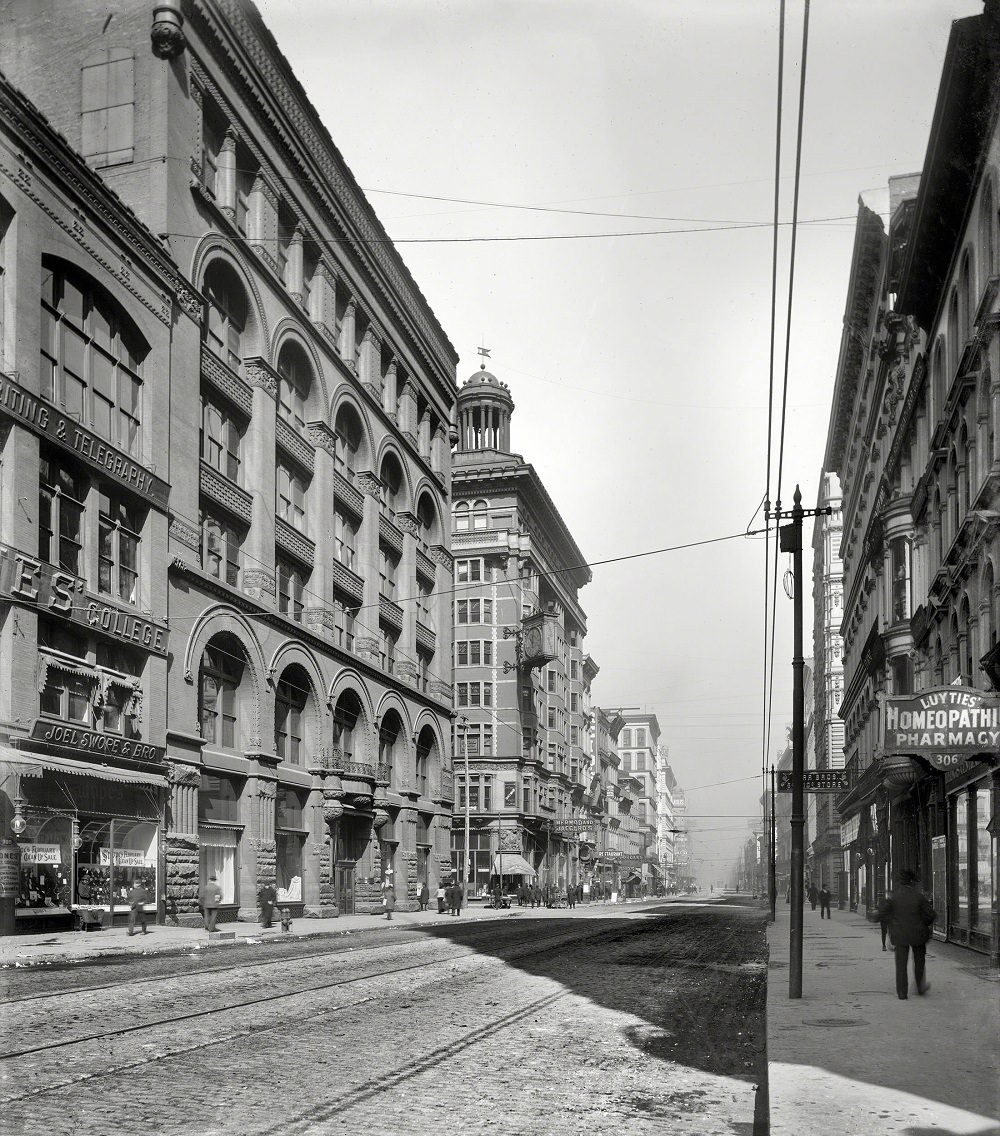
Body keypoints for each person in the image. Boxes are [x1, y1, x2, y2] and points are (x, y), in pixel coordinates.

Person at [881, 868, 935, 999]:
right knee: (919, 962)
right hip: (918, 934)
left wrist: (893, 926)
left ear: (900, 883)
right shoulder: (919, 897)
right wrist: (922, 924)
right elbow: (931, 915)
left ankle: (902, 993)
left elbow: (883, 914)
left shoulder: (894, 898)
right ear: (912, 883)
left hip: (900, 935)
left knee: (901, 964)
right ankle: (920, 987)